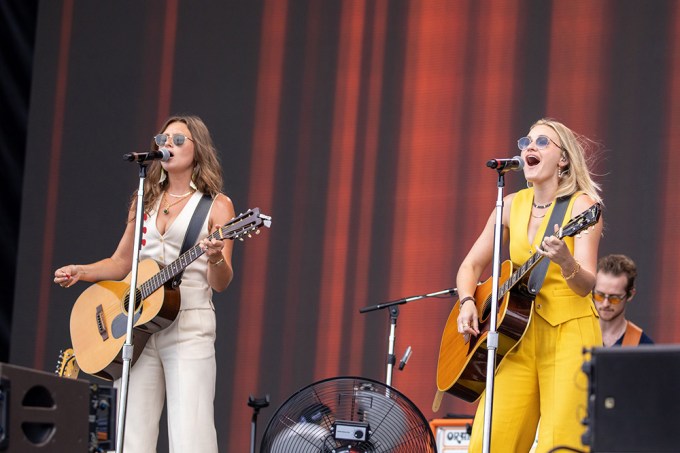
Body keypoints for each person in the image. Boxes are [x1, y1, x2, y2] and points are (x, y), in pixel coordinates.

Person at [53, 114, 235, 452]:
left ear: (198, 150)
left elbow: (221, 282)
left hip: (189, 325)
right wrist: (81, 271)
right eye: (163, 139)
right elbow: (122, 263)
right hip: (136, 328)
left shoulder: (216, 205)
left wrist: (214, 257)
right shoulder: (145, 200)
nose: (167, 145)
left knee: (191, 435)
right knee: (130, 436)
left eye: (178, 140)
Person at [456, 118, 604, 452]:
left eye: (541, 142)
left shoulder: (583, 206)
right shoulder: (509, 205)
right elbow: (471, 265)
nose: (529, 148)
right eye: (526, 143)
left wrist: (566, 261)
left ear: (563, 159)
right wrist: (467, 300)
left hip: (569, 332)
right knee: (488, 442)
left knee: (561, 444)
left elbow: (586, 284)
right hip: (515, 335)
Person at [593, 254, 654, 347]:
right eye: (599, 295)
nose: (605, 304)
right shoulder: (577, 336)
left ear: (630, 295)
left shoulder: (643, 345)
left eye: (614, 298)